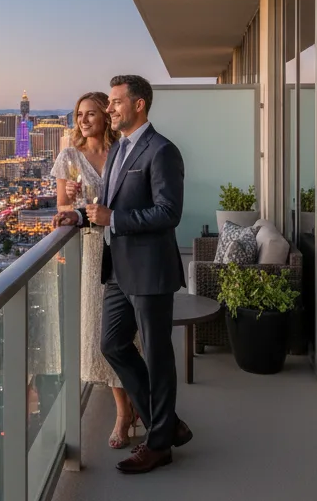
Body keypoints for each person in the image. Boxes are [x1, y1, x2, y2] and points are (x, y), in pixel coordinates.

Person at [53, 74, 192, 474]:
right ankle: (164, 424)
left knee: (159, 355)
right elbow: (103, 207)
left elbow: (169, 213)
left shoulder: (161, 150)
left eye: (115, 102)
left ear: (139, 105)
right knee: (112, 345)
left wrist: (114, 218)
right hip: (116, 270)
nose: (110, 109)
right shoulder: (120, 151)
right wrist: (78, 216)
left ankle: (159, 443)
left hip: (149, 270)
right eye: (109, 103)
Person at [51, 91, 142, 450]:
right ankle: (124, 411)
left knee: (127, 334)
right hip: (92, 254)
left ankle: (134, 403)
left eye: (91, 113)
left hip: (127, 248)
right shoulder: (69, 157)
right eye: (79, 114)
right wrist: (69, 200)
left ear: (106, 117)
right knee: (100, 336)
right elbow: (61, 209)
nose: (83, 120)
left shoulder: (124, 152)